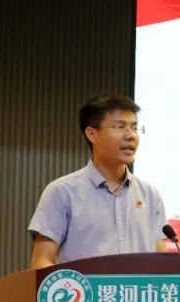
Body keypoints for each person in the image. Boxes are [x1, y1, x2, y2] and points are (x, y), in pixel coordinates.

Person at [28, 94, 168, 269]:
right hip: (86, 287)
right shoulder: (62, 192)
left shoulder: (150, 195)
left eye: (134, 127)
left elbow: (162, 265)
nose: (131, 135)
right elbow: (41, 263)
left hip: (140, 287)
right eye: (120, 127)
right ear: (92, 134)